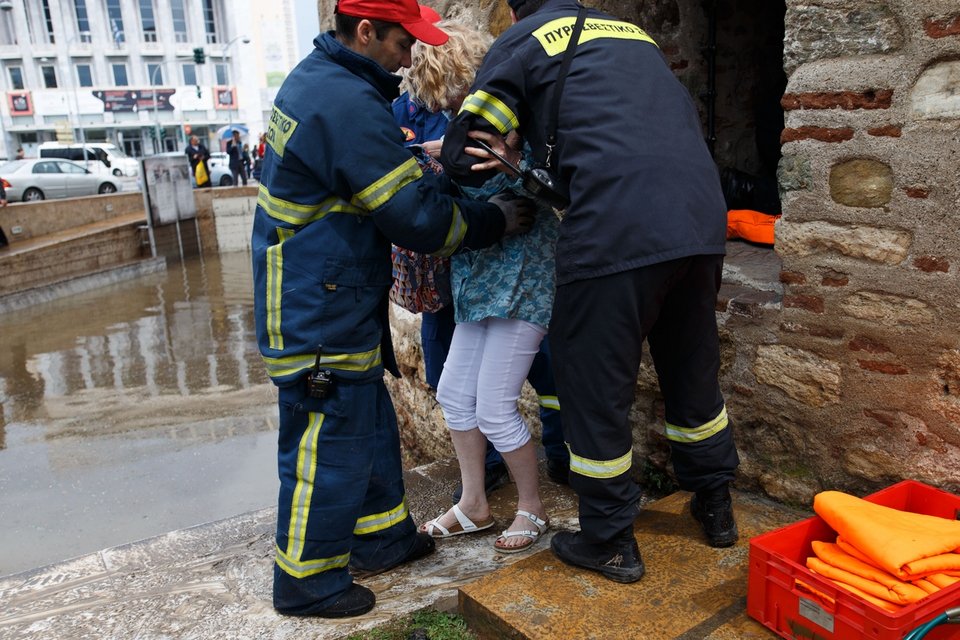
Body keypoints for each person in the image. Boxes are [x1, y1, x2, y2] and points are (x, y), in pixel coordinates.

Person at [250, 0, 534, 619]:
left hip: (328, 290)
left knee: (367, 418)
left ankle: (382, 538)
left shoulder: (325, 81)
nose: (409, 61)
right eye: (404, 45)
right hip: (314, 303)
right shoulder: (346, 103)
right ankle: (307, 580)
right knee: (326, 439)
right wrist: (495, 218)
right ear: (365, 31)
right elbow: (418, 221)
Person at [442, 0, 740, 583]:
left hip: (614, 230)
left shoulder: (524, 41)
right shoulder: (634, 34)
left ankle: (606, 540)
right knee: (692, 371)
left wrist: (505, 153)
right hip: (699, 221)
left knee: (593, 389)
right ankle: (717, 508)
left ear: (514, 7)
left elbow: (462, 153)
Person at [392, 18, 570, 501]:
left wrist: (509, 158)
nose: (444, 107)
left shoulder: (513, 118)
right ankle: (474, 502)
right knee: (453, 393)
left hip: (517, 276)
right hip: (474, 278)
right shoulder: (454, 125)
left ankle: (533, 503)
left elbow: (545, 194)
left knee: (496, 404)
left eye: (442, 94)